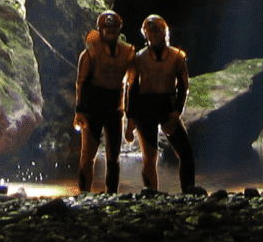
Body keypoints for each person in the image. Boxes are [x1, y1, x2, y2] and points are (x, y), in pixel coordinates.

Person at [127, 14, 197, 193]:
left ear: (165, 32)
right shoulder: (138, 58)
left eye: (158, 31)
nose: (155, 35)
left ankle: (188, 191)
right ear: (146, 35)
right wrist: (130, 119)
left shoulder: (177, 57)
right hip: (145, 107)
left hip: (167, 105)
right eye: (151, 32)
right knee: (150, 157)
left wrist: (176, 112)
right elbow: (132, 89)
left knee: (185, 152)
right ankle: (150, 192)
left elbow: (183, 87)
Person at [74, 10, 135, 193]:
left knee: (114, 156)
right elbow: (81, 82)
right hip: (93, 107)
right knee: (88, 155)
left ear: (119, 30)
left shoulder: (127, 52)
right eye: (107, 28)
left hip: (115, 108)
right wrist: (79, 111)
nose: (111, 31)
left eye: (114, 28)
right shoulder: (91, 52)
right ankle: (84, 193)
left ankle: (112, 193)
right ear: (100, 29)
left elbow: (132, 84)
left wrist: (130, 118)